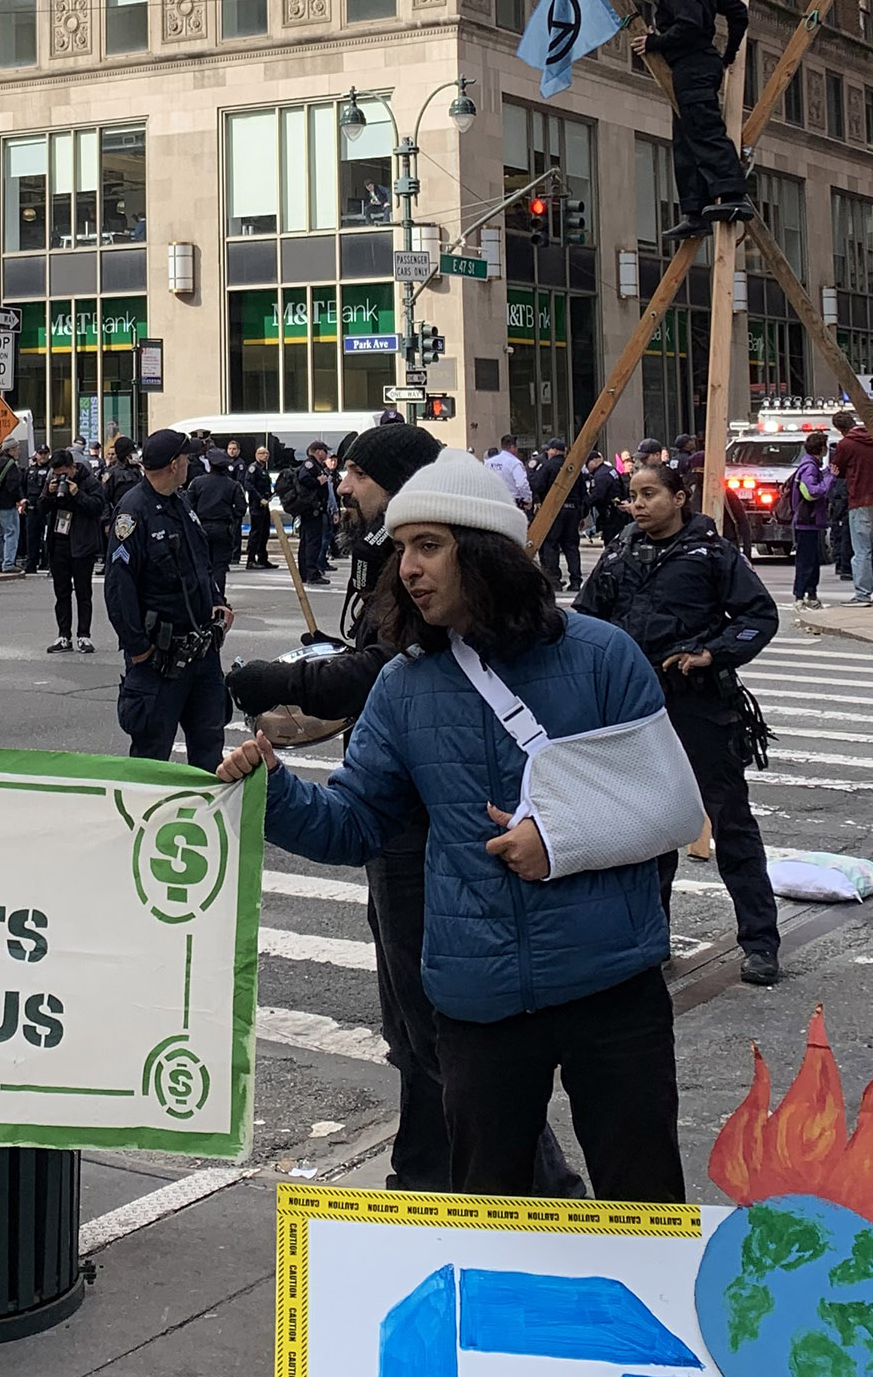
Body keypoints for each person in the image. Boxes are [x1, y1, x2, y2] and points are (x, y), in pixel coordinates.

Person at [217, 451, 687, 1202]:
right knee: (488, 1216)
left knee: (646, 1205)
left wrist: (560, 839)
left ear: (484, 550)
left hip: (612, 986)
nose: (407, 567)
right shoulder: (404, 686)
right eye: (402, 548)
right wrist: (272, 791)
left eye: (428, 545)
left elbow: (668, 806)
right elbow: (355, 823)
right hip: (476, 997)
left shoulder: (603, 657)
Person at [574, 462, 782, 986]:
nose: (638, 504)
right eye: (632, 496)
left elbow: (759, 616)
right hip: (635, 711)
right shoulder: (620, 551)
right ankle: (651, 939)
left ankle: (760, 943)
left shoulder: (711, 553)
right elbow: (585, 617)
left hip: (702, 708)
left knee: (730, 824)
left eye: (649, 494)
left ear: (679, 497)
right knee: (648, 830)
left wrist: (712, 654)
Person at [108, 430, 233, 771]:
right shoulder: (134, 512)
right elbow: (119, 588)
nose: (191, 464)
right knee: (152, 759)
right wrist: (138, 649)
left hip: (203, 653)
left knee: (209, 753)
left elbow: (200, 564)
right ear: (174, 465)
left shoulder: (181, 502)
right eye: (187, 459)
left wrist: (219, 602)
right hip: (160, 661)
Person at [634, 0, 753, 241]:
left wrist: (655, 42)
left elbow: (690, 25)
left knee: (703, 131)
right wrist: (728, 53)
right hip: (698, 66)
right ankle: (695, 211)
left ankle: (733, 197)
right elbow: (738, 13)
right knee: (686, 140)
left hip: (692, 66)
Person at [38, 449, 106, 654]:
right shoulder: (52, 481)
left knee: (83, 592)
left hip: (82, 544)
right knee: (62, 592)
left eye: (63, 474)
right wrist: (48, 494)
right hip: (59, 542)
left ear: (72, 467)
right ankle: (63, 635)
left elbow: (97, 508)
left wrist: (78, 495)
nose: (60, 478)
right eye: (56, 474)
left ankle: (84, 635)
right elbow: (41, 510)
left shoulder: (90, 482)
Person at [830, 409, 873, 605]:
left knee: (862, 550)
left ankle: (863, 594)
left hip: (861, 498)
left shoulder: (846, 444)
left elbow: (837, 470)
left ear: (839, 429)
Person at [186, 452, 247, 597]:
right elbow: (241, 508)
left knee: (201, 565)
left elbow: (188, 505)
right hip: (223, 528)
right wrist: (230, 517)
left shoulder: (197, 482)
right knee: (219, 567)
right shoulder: (233, 485)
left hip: (201, 528)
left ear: (210, 465)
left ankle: (203, 599)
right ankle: (218, 599)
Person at [528, 438, 584, 590]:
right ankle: (576, 580)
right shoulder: (573, 467)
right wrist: (581, 514)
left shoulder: (547, 466)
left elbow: (537, 485)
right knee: (571, 546)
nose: (548, 452)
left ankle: (554, 580)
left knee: (550, 544)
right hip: (573, 510)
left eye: (549, 450)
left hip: (554, 510)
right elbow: (583, 492)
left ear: (553, 450)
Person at [787, 430, 835, 610]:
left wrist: (827, 472)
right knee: (807, 562)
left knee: (811, 561)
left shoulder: (809, 465)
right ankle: (801, 595)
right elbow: (812, 492)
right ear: (821, 448)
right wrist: (830, 478)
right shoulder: (809, 467)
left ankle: (809, 594)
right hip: (808, 522)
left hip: (807, 522)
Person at [279, 442, 336, 585]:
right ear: (317, 451)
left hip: (312, 509)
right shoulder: (310, 464)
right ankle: (311, 573)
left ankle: (305, 572)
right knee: (312, 542)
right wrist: (318, 481)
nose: (327, 454)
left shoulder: (316, 465)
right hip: (312, 510)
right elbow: (304, 478)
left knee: (307, 542)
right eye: (324, 451)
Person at [0, 436, 28, 574]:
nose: (19, 451)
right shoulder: (10, 464)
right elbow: (12, 485)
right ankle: (8, 563)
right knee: (11, 533)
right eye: (17, 449)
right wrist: (19, 499)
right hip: (7, 504)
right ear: (11, 449)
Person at [18, 445, 52, 575]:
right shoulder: (29, 470)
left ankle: (46, 561)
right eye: (40, 453)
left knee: (47, 537)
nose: (43, 456)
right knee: (31, 536)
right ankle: (31, 562)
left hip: (46, 506)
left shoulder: (51, 469)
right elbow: (22, 486)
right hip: (32, 507)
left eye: (45, 453)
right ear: (36, 454)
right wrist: (23, 500)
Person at [244, 446, 276, 568]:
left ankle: (263, 558)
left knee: (264, 532)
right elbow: (249, 485)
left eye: (267, 453)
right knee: (256, 533)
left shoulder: (263, 469)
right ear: (256, 455)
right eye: (262, 453)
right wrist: (259, 498)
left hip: (265, 504)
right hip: (256, 505)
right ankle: (251, 560)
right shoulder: (253, 468)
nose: (265, 455)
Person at [484, 435, 531, 512]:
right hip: (511, 503)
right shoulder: (515, 463)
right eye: (516, 448)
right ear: (512, 447)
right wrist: (527, 498)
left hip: (493, 501)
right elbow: (522, 484)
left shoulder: (489, 463)